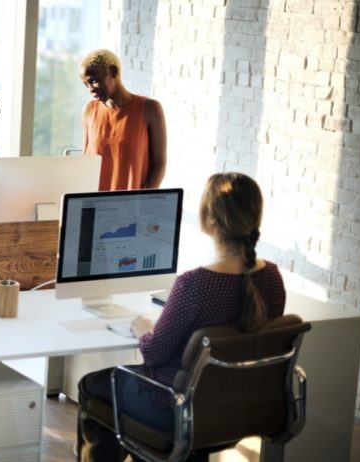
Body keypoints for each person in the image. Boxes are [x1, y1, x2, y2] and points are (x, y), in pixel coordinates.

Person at [76, 172, 286, 461]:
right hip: (237, 410)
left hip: (173, 406)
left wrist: (144, 329)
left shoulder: (196, 283)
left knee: (92, 385)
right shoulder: (271, 277)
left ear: (209, 219)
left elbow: (154, 353)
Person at [80, 49, 167, 191]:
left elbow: (160, 164)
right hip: (95, 204)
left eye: (94, 81)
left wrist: (145, 200)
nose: (90, 89)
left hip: (133, 206)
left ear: (113, 72)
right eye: (86, 85)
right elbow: (86, 161)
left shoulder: (150, 109)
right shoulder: (89, 110)